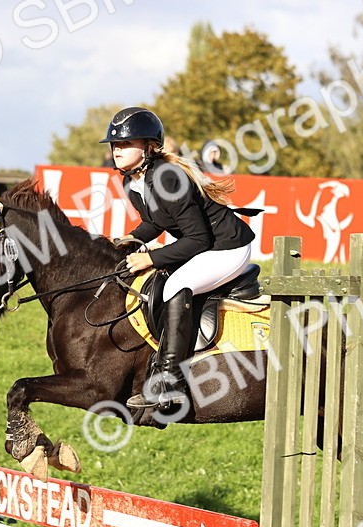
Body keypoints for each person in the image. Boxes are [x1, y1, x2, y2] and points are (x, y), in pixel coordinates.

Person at [101, 106, 257, 410]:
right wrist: (131, 240)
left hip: (227, 247)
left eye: (125, 144)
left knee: (176, 286)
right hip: (204, 244)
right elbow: (156, 221)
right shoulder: (131, 181)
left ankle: (171, 381)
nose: (116, 150)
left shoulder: (167, 176)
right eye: (114, 144)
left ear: (148, 147)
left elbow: (198, 239)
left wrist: (152, 258)